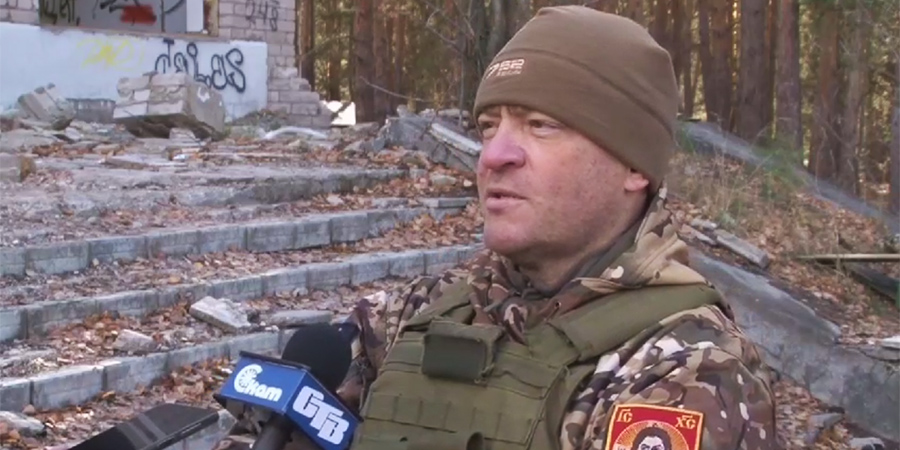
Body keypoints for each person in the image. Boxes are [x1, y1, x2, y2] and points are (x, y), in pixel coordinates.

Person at [219, 5, 777, 450]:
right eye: (489, 126)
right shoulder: (415, 313)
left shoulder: (684, 368)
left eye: (542, 125)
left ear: (634, 165)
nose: (494, 156)